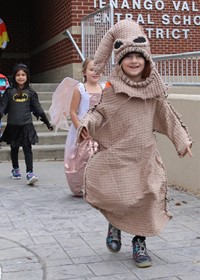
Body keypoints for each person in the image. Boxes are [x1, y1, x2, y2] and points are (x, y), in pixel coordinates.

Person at [78, 20, 193, 268]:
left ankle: (139, 243)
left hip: (145, 157)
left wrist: (182, 140)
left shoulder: (154, 91)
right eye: (127, 56)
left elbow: (167, 115)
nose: (133, 61)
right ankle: (115, 224)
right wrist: (87, 125)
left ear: (147, 59)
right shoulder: (111, 89)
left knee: (148, 197)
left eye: (138, 56)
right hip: (119, 155)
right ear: (119, 61)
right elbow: (99, 113)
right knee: (120, 197)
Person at [49, 57, 102, 196]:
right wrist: (80, 127)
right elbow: (73, 111)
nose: (95, 72)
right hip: (82, 129)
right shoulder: (80, 89)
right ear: (84, 72)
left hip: (98, 129)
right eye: (91, 69)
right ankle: (81, 186)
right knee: (80, 158)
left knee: (98, 157)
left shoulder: (104, 89)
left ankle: (96, 186)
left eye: (97, 69)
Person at [0, 63, 53, 185]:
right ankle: (15, 169)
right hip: (13, 125)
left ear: (27, 76)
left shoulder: (30, 92)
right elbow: (2, 108)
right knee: (14, 148)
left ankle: (30, 172)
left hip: (26, 125)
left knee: (27, 148)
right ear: (14, 77)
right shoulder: (9, 91)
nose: (20, 77)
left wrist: (47, 123)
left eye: (23, 75)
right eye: (18, 75)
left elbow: (38, 109)